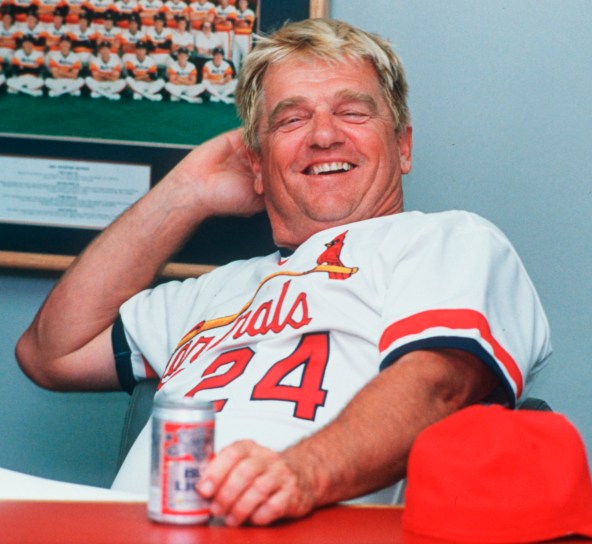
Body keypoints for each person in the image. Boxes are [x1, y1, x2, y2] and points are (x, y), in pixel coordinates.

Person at [16, 18, 551, 527]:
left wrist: (301, 473)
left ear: (403, 146)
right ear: (256, 162)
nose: (323, 136)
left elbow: (441, 384)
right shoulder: (210, 292)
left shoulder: (446, 240)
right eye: (291, 119)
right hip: (134, 528)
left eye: (353, 112)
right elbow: (49, 355)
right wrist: (184, 193)